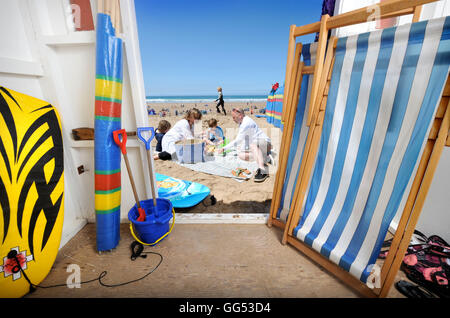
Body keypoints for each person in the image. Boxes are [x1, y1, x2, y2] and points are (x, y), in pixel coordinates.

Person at [218, 108, 272, 182]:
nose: (233, 119)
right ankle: (265, 158)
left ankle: (263, 170)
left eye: (234, 117)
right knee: (241, 155)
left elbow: (238, 140)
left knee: (252, 146)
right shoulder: (242, 122)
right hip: (257, 145)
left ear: (240, 116)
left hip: (265, 143)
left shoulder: (246, 123)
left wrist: (224, 148)